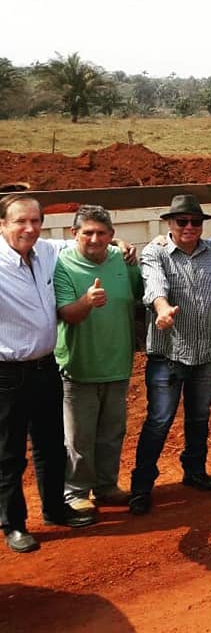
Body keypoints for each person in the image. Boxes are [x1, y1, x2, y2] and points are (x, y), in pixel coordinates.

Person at [129, 194, 211, 515]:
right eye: (182, 221)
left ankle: (194, 471)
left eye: (195, 221)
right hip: (169, 355)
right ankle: (141, 487)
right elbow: (154, 287)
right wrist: (162, 310)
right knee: (159, 421)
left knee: (198, 416)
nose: (189, 227)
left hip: (206, 352)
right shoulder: (156, 252)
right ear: (170, 223)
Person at [1, 194, 95, 553]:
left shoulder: (45, 253)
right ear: (3, 225)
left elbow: (81, 239)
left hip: (45, 366)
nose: (29, 229)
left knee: (51, 446)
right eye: (20, 222)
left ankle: (55, 509)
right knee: (9, 453)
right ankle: (13, 525)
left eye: (35, 222)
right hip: (6, 373)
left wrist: (118, 243)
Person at [54, 205, 143, 513]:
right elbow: (66, 313)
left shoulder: (122, 259)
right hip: (79, 366)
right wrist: (87, 302)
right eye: (87, 232)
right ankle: (75, 491)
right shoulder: (62, 265)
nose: (94, 239)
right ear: (73, 234)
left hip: (117, 364)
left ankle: (106, 486)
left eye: (101, 233)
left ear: (112, 235)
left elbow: (141, 292)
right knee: (79, 437)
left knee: (111, 432)